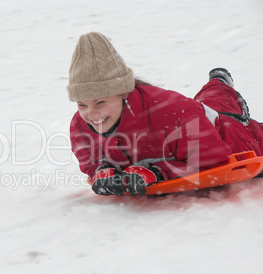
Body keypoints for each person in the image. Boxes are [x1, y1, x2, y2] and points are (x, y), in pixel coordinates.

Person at [67, 32, 263, 196]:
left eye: (100, 102)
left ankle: (219, 82)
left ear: (124, 93)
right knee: (209, 102)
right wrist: (102, 172)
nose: (91, 114)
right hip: (196, 113)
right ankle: (218, 83)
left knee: (220, 107)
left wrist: (157, 172)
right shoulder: (80, 125)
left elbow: (211, 157)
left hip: (228, 134)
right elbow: (91, 162)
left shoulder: (174, 113)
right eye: (82, 105)